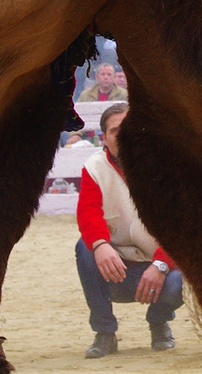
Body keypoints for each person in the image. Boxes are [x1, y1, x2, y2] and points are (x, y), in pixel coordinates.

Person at [74, 103, 183, 357]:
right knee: (85, 248)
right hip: (118, 270)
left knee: (182, 283)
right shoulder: (94, 168)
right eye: (115, 131)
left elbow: (182, 226)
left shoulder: (168, 166)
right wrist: (100, 245)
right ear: (104, 138)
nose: (123, 136)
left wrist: (161, 264)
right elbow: (88, 212)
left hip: (163, 271)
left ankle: (158, 322)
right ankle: (105, 333)